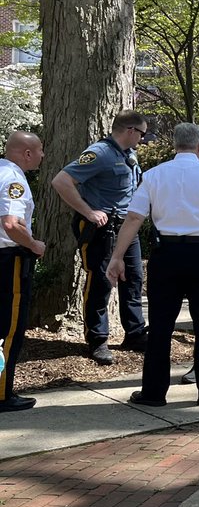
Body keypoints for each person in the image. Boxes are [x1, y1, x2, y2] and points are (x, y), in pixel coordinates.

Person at [105, 123, 199, 407]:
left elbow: (134, 218)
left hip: (166, 254)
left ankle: (153, 392)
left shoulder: (154, 175)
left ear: (175, 146)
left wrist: (117, 256)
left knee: (160, 324)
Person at [51, 109, 150, 365]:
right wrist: (88, 211)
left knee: (134, 278)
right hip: (102, 229)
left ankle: (135, 333)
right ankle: (97, 340)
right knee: (101, 282)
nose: (143, 139)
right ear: (130, 131)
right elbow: (61, 181)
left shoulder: (129, 154)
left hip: (126, 227)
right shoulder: (100, 153)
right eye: (142, 133)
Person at [0, 132, 46, 412]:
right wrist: (34, 244)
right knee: (9, 327)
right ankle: (2, 393)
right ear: (27, 153)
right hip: (9, 261)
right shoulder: (14, 179)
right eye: (40, 150)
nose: (42, 155)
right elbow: (11, 224)